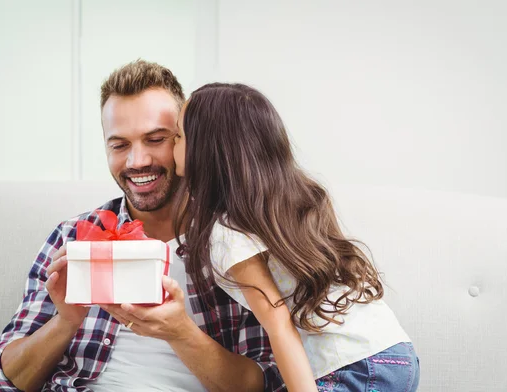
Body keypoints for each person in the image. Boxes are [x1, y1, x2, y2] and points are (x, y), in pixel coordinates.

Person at [0, 62, 284, 392]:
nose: (137, 161)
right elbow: (5, 381)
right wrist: (66, 322)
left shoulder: (235, 245)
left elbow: (268, 382)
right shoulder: (74, 235)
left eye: (155, 139)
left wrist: (180, 332)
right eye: (119, 145)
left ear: (187, 140)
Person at [172, 83, 420, 392]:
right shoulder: (294, 197)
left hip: (349, 367)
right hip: (395, 352)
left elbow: (278, 325)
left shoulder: (228, 233)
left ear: (206, 149)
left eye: (179, 135)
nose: (172, 146)